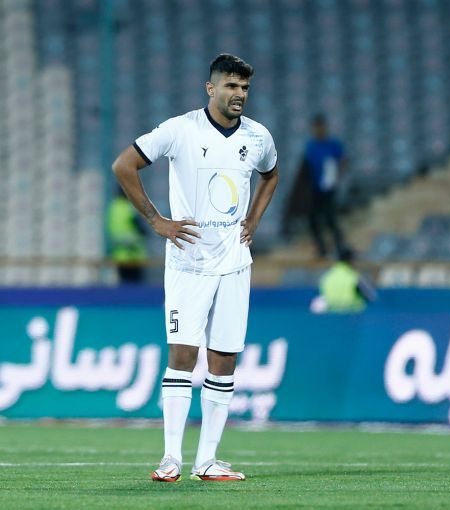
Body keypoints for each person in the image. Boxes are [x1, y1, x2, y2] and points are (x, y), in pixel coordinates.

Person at [112, 54, 278, 482]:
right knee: (183, 356)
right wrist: (156, 221)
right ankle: (171, 458)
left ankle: (207, 461)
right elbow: (123, 165)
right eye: (231, 86)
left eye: (244, 87)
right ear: (211, 88)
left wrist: (254, 220)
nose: (239, 94)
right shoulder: (180, 130)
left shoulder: (258, 136)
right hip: (188, 262)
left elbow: (271, 175)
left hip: (235, 264)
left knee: (224, 360)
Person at [303, 114, 346, 258]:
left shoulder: (333, 145)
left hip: (329, 189)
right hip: (315, 189)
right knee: (313, 219)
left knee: (330, 219)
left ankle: (340, 247)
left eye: (320, 127)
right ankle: (321, 248)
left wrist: (336, 178)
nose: (319, 130)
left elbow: (342, 161)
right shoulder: (311, 146)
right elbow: (306, 167)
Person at [107, 186, 148, 283]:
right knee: (136, 284)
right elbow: (140, 228)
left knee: (124, 283)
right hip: (133, 254)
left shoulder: (113, 207)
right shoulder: (129, 206)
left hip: (119, 254)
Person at [317, 248, 377, 313]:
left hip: (332, 315)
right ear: (350, 260)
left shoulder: (326, 277)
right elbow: (371, 296)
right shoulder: (354, 276)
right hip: (353, 314)